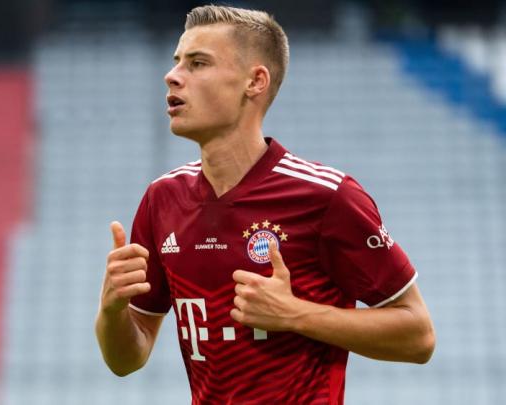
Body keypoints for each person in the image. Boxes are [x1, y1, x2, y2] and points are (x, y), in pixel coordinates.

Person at [95, 5, 435, 404]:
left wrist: (295, 314)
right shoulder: (162, 198)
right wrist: (112, 311)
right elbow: (127, 359)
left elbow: (419, 335)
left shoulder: (328, 196)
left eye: (198, 63)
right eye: (177, 61)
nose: (172, 75)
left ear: (255, 82)